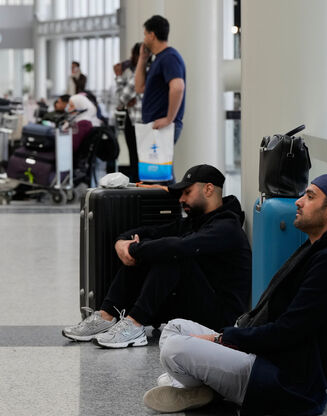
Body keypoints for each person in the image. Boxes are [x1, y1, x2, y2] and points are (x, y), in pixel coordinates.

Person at [143, 174, 327, 416]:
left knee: (174, 349)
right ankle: (205, 387)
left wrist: (222, 339)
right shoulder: (319, 250)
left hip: (285, 380)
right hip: (266, 357)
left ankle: (201, 387)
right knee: (174, 328)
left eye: (310, 197)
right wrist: (231, 338)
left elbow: (288, 332)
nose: (298, 201)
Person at [62, 164, 251, 349]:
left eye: (187, 192)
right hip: (193, 305)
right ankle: (106, 316)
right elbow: (151, 232)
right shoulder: (195, 222)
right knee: (155, 249)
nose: (181, 199)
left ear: (208, 189)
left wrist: (135, 249)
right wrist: (122, 242)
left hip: (221, 319)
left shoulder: (227, 228)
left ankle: (135, 325)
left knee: (173, 254)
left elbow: (180, 247)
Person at [135, 15, 186, 143]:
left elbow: (178, 87)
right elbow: (139, 88)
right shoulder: (158, 59)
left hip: (163, 126)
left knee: (158, 158)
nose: (144, 39)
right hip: (155, 125)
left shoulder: (169, 57)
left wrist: (169, 119)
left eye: (145, 35)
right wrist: (142, 59)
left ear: (152, 35)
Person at [115, 42, 143, 182]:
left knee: (135, 159)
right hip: (145, 122)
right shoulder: (152, 71)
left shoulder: (139, 73)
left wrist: (119, 76)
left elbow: (120, 100)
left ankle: (139, 188)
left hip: (135, 122)